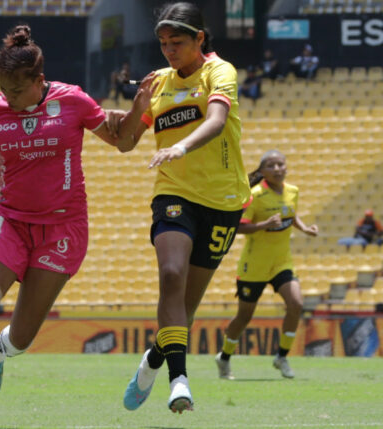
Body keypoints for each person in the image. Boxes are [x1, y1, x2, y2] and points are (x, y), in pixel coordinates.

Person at [0, 25, 140, 429]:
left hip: (63, 228)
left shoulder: (74, 101)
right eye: (3, 89)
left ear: (38, 81)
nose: (9, 99)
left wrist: (138, 111)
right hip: (11, 220)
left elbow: (121, 142)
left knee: (20, 339)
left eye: (16, 91)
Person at [109, 1, 251, 414]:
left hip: (223, 202)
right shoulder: (160, 83)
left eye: (177, 42)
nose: (169, 50)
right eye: (164, 43)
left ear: (199, 39)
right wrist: (138, 105)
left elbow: (217, 120)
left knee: (183, 313)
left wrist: (181, 145)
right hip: (174, 194)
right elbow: (125, 142)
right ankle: (179, 381)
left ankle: (153, 361)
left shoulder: (218, 71)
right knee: (171, 274)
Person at [215, 150, 319, 380]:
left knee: (296, 303)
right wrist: (264, 224)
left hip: (282, 262)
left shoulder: (293, 191)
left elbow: (290, 215)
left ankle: (281, 357)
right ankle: (224, 357)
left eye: (281, 164)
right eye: (271, 166)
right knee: (244, 317)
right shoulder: (254, 195)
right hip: (254, 265)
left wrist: (305, 228)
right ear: (262, 172)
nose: (278, 169)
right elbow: (239, 227)